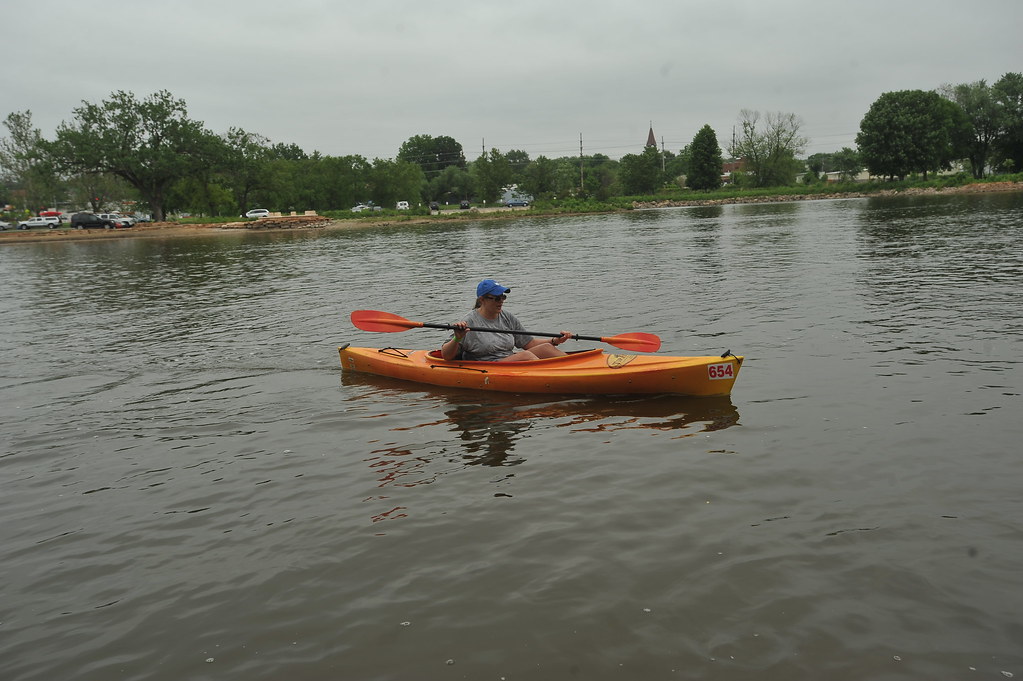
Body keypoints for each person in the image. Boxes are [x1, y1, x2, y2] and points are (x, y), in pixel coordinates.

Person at [440, 279, 573, 362]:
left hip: (509, 359)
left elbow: (529, 343)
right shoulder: (469, 321)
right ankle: (556, 377)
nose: (501, 301)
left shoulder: (507, 317)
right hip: (490, 366)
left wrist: (556, 340)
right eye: (497, 298)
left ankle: (575, 369)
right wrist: (457, 338)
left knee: (546, 348)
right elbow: (446, 355)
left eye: (503, 297)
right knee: (525, 356)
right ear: (482, 300)